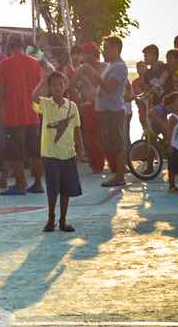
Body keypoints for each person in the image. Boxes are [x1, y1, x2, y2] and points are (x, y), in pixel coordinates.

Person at [32, 71, 82, 233]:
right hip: (50, 154)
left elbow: (76, 129)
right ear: (49, 88)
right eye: (53, 85)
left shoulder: (72, 106)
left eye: (60, 84)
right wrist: (41, 82)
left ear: (65, 85)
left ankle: (63, 220)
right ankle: (51, 217)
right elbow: (33, 98)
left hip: (68, 153)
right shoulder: (46, 104)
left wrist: (80, 148)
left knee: (66, 190)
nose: (57, 88)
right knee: (52, 189)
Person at [0, 35, 45, 195]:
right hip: (32, 113)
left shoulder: (5, 64)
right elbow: (40, 87)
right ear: (23, 46)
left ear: (9, 46)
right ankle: (37, 183)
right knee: (34, 151)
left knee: (15, 152)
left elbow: (1, 90)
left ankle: (20, 184)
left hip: (12, 114)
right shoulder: (34, 62)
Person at [78, 36, 130, 188]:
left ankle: (119, 177)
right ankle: (117, 175)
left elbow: (109, 87)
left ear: (115, 49)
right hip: (105, 111)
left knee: (118, 144)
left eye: (106, 48)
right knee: (110, 144)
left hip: (114, 110)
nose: (104, 51)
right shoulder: (110, 66)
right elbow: (98, 85)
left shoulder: (119, 66)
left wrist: (91, 72)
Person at [73, 43, 104, 174]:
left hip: (103, 106)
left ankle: (113, 163)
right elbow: (70, 85)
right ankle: (96, 165)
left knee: (105, 137)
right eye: (84, 54)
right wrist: (79, 99)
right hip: (88, 107)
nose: (84, 57)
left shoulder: (104, 67)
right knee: (91, 138)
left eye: (87, 54)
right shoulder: (81, 69)